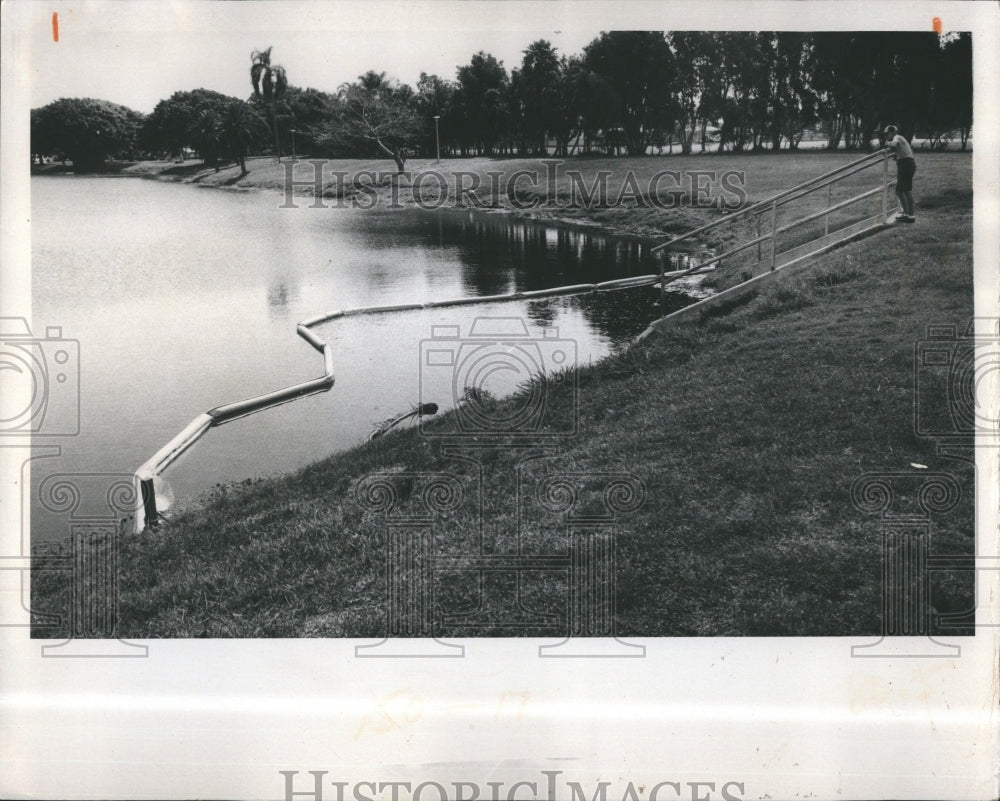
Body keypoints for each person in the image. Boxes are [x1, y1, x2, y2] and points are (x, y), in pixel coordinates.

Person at [884, 125, 916, 223]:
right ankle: (906, 213)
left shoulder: (897, 137)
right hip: (905, 164)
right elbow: (898, 150)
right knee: (899, 190)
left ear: (892, 132)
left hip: (906, 164)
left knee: (906, 190)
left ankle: (910, 216)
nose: (887, 136)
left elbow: (893, 145)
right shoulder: (899, 139)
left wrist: (887, 144)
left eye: (887, 134)